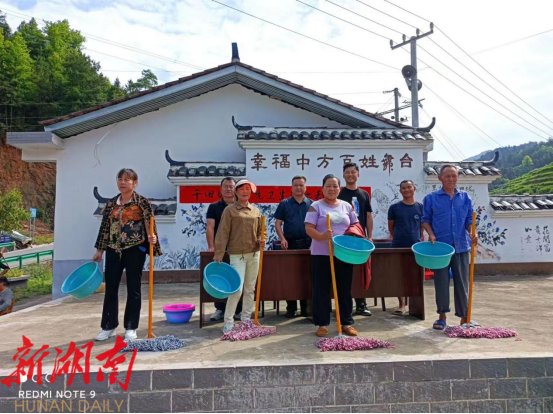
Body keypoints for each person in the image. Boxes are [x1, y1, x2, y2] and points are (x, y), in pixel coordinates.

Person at [92, 168, 162, 341]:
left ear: (134, 183)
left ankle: (131, 327)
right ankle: (108, 326)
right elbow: (105, 228)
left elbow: (149, 224)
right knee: (111, 288)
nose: (123, 182)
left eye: (127, 180)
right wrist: (99, 250)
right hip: (113, 249)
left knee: (133, 288)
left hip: (134, 249)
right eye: (120, 179)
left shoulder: (142, 202)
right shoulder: (111, 204)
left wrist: (152, 238)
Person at [422, 165, 478, 330]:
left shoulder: (465, 197)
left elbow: (469, 220)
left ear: (458, 177)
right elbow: (425, 220)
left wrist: (472, 232)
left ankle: (464, 317)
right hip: (441, 248)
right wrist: (431, 234)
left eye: (454, 176)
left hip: (461, 246)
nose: (451, 179)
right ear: (440, 178)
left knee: (462, 282)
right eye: (447, 176)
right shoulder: (431, 198)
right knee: (441, 282)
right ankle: (442, 317)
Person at [305, 174, 359, 337]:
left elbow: (355, 224)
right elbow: (309, 228)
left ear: (339, 189)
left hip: (343, 254)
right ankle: (322, 323)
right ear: (322, 188)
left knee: (344, 288)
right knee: (321, 288)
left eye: (335, 186)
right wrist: (322, 236)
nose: (331, 189)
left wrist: (352, 235)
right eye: (328, 186)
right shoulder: (316, 206)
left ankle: (346, 322)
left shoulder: (346, 206)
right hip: (321, 254)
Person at [214, 179, 266, 334]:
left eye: (248, 189)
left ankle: (246, 319)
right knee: (236, 289)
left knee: (250, 289)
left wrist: (262, 238)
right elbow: (222, 232)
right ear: (236, 192)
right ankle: (228, 322)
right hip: (237, 255)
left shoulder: (255, 211)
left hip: (254, 254)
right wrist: (219, 253)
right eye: (242, 189)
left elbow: (262, 230)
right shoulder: (229, 210)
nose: (245, 192)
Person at [338, 162, 373, 317]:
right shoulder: (339, 194)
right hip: (344, 240)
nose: (350, 175)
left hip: (360, 238)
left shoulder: (364, 194)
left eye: (353, 172)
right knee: (344, 273)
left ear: (358, 174)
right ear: (343, 175)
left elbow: (368, 216)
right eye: (347, 172)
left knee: (360, 272)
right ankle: (344, 307)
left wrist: (369, 236)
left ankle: (361, 305)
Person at [274, 175, 313, 318]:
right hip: (289, 244)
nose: (298, 188)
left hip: (308, 244)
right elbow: (278, 224)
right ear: (291, 187)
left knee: (305, 276)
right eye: (295, 185)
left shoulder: (312, 204)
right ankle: (291, 308)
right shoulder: (284, 204)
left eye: (301, 185)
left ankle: (305, 307)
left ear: (305, 187)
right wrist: (282, 239)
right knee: (290, 276)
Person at [206, 177, 242, 321]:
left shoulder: (241, 206)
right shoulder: (214, 207)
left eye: (231, 186)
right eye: (225, 186)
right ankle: (220, 309)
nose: (228, 189)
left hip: (238, 248)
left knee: (237, 279)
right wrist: (212, 246)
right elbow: (210, 227)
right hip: (221, 249)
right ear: (221, 189)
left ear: (236, 189)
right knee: (220, 278)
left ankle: (238, 310)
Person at [388, 179, 424, 315]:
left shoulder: (420, 207)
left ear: (414, 188)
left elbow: (422, 226)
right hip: (398, 246)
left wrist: (418, 237)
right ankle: (402, 304)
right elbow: (391, 226)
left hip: (416, 247)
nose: (407, 190)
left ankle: (415, 305)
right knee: (399, 275)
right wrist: (397, 237)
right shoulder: (394, 208)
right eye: (404, 188)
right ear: (400, 191)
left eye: (409, 187)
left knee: (414, 275)